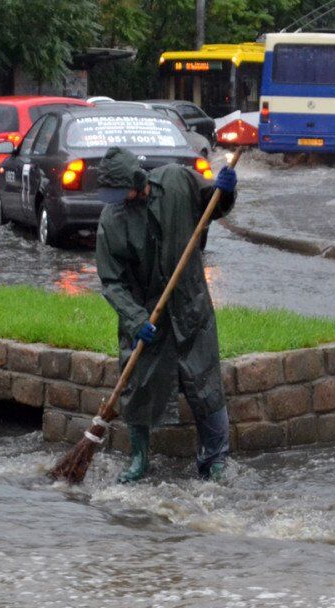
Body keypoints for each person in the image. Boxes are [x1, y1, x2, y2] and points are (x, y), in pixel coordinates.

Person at [94, 147, 237, 484]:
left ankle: (214, 460)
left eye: (120, 191)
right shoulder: (112, 220)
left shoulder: (176, 181)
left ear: (136, 180)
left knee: (206, 385)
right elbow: (111, 282)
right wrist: (135, 319)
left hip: (190, 306)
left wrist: (227, 190)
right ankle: (140, 459)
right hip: (146, 313)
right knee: (137, 385)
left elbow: (213, 204)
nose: (115, 199)